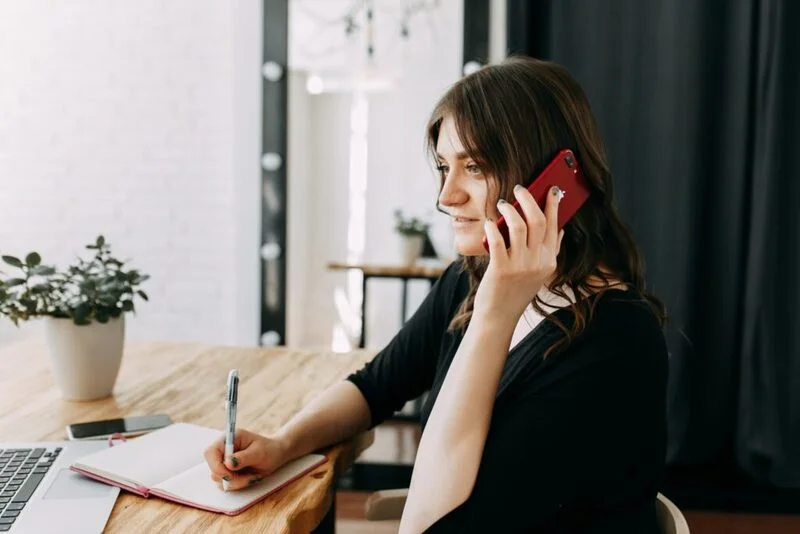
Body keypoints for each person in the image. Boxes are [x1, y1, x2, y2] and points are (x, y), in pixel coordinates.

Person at [204, 57, 668, 533]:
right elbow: (375, 387)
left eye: (476, 166)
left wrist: (496, 310)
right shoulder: (469, 279)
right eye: (446, 166)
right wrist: (282, 444)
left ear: (553, 184)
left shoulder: (616, 341)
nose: (447, 195)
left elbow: (428, 523)